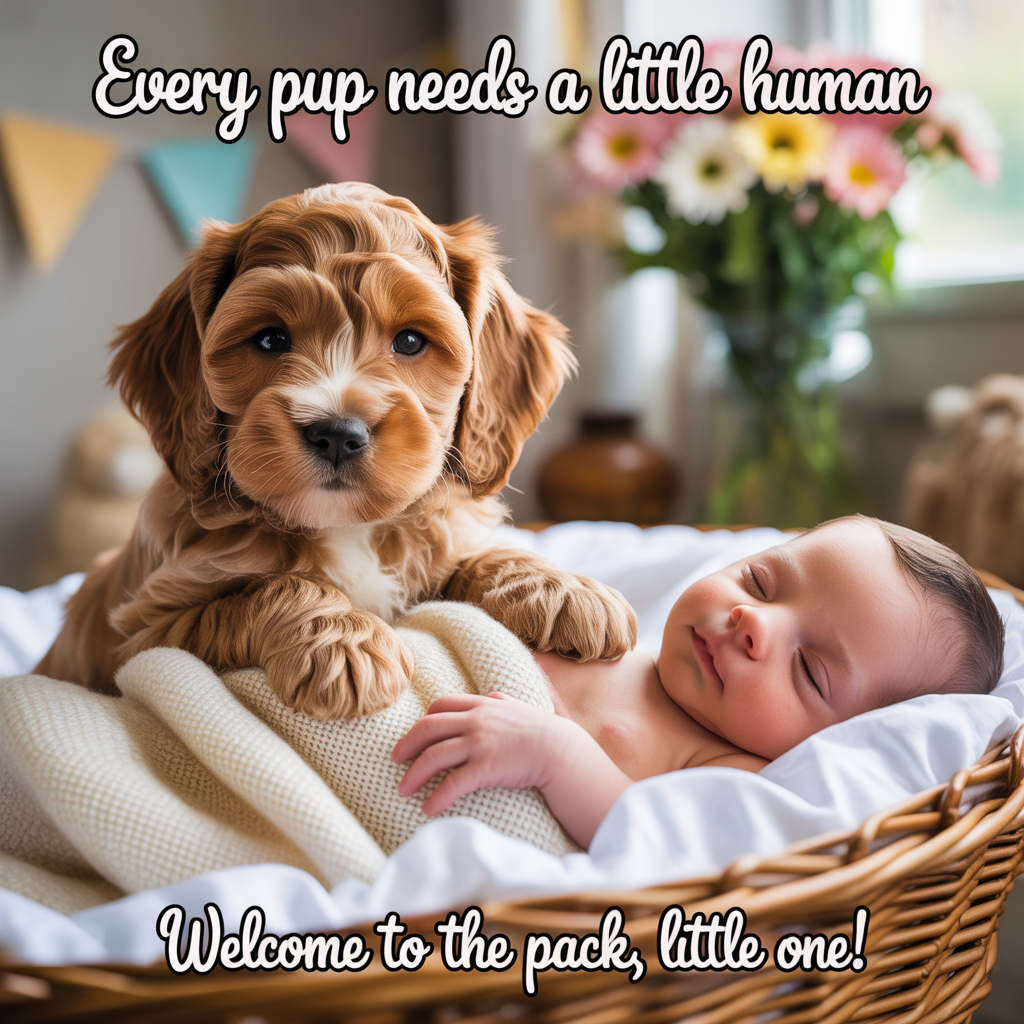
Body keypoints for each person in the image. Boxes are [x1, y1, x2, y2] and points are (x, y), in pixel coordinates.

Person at [393, 515, 1005, 849]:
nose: (751, 622)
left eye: (810, 670)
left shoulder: (730, 769)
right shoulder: (625, 637)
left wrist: (555, 753)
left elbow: (653, 835)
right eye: (759, 583)